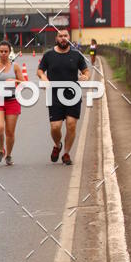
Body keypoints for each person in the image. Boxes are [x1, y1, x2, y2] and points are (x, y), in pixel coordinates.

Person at [37, 28, 91, 166]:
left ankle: (66, 153)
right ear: (56, 39)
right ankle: (57, 145)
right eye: (60, 36)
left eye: (65, 36)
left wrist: (85, 76)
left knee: (71, 125)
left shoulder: (76, 55)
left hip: (73, 94)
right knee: (55, 127)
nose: (63, 38)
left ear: (69, 38)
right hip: (54, 94)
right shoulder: (49, 55)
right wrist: (43, 77)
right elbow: (40, 70)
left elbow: (86, 71)